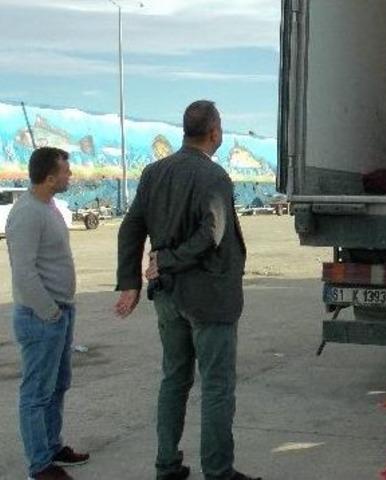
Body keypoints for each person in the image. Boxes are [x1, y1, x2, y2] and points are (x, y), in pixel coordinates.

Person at [114, 100, 259, 480]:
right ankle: (218, 471)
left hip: (168, 298)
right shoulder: (214, 178)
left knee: (174, 379)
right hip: (209, 299)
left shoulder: (153, 172)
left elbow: (131, 227)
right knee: (216, 387)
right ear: (214, 131)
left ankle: (166, 465)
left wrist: (130, 282)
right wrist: (170, 259)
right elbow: (212, 233)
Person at [6, 147, 90, 480]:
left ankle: (53, 447)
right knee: (36, 393)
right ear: (50, 177)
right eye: (66, 172)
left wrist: (61, 312)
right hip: (41, 318)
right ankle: (39, 465)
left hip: (60, 313)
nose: (70, 176)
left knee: (57, 385)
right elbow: (23, 273)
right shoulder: (27, 213)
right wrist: (50, 312)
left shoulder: (48, 206)